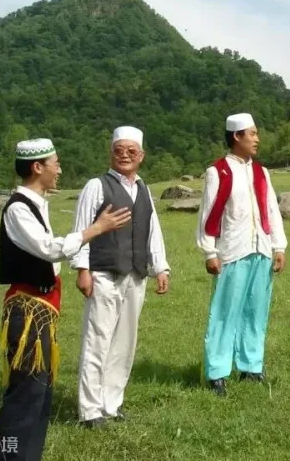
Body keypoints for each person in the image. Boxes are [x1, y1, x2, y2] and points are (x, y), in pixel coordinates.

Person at [0, 138, 131, 461]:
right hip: (26, 310)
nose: (59, 170)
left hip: (41, 311)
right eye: (55, 163)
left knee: (39, 394)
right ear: (37, 167)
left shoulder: (37, 204)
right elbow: (49, 248)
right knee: (25, 394)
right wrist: (95, 229)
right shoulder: (18, 208)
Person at [70, 126, 171, 428]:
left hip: (135, 275)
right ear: (111, 153)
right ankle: (90, 410)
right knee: (97, 340)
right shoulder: (96, 186)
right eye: (119, 150)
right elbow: (82, 229)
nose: (125, 155)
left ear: (141, 155)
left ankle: (111, 404)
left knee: (125, 342)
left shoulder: (143, 189)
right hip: (103, 273)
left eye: (131, 151)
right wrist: (82, 269)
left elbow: (152, 231)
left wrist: (160, 267)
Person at [196, 113, 288, 397]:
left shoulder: (261, 172)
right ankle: (217, 372)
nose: (257, 139)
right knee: (225, 312)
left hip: (260, 248)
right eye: (253, 133)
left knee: (256, 311)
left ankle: (251, 365)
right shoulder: (218, 172)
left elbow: (271, 209)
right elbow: (208, 213)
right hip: (232, 251)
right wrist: (210, 251)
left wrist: (278, 246)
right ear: (237, 136)